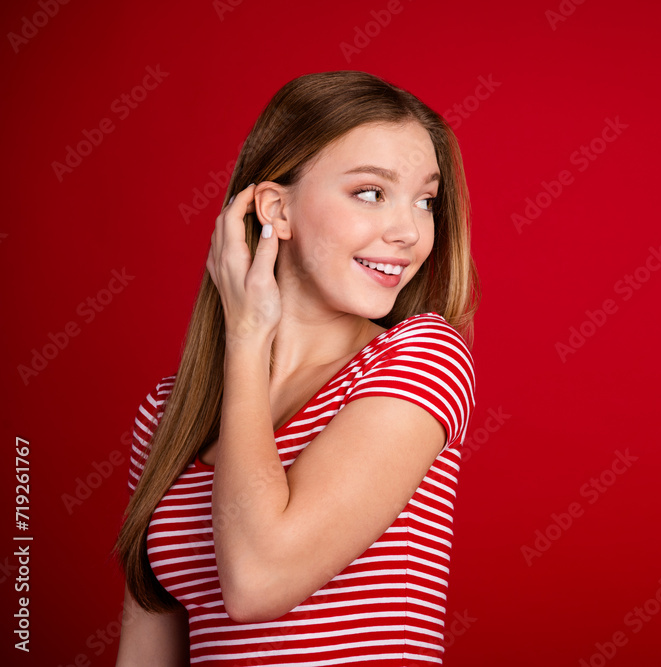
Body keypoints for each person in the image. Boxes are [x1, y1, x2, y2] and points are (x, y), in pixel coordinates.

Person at [112, 70, 480, 666]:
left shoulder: (419, 356)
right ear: (275, 209)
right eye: (370, 192)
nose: (409, 231)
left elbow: (259, 580)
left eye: (426, 200)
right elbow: (147, 651)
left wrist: (249, 337)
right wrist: (247, 351)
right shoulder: (168, 412)